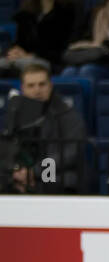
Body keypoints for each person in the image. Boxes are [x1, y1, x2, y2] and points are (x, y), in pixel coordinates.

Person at [0, 61, 85, 192]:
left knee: (49, 180)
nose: (37, 90)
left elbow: (70, 154)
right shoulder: (15, 113)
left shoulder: (67, 115)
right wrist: (18, 173)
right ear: (23, 88)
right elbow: (9, 147)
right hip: (23, 172)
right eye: (31, 85)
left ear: (50, 86)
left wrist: (34, 172)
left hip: (53, 171)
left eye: (42, 84)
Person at [4, 0, 77, 74]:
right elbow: (20, 42)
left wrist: (33, 55)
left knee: (28, 64)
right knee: (4, 63)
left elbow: (63, 47)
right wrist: (15, 51)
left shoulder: (67, 12)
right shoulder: (25, 14)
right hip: (24, 58)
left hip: (51, 61)